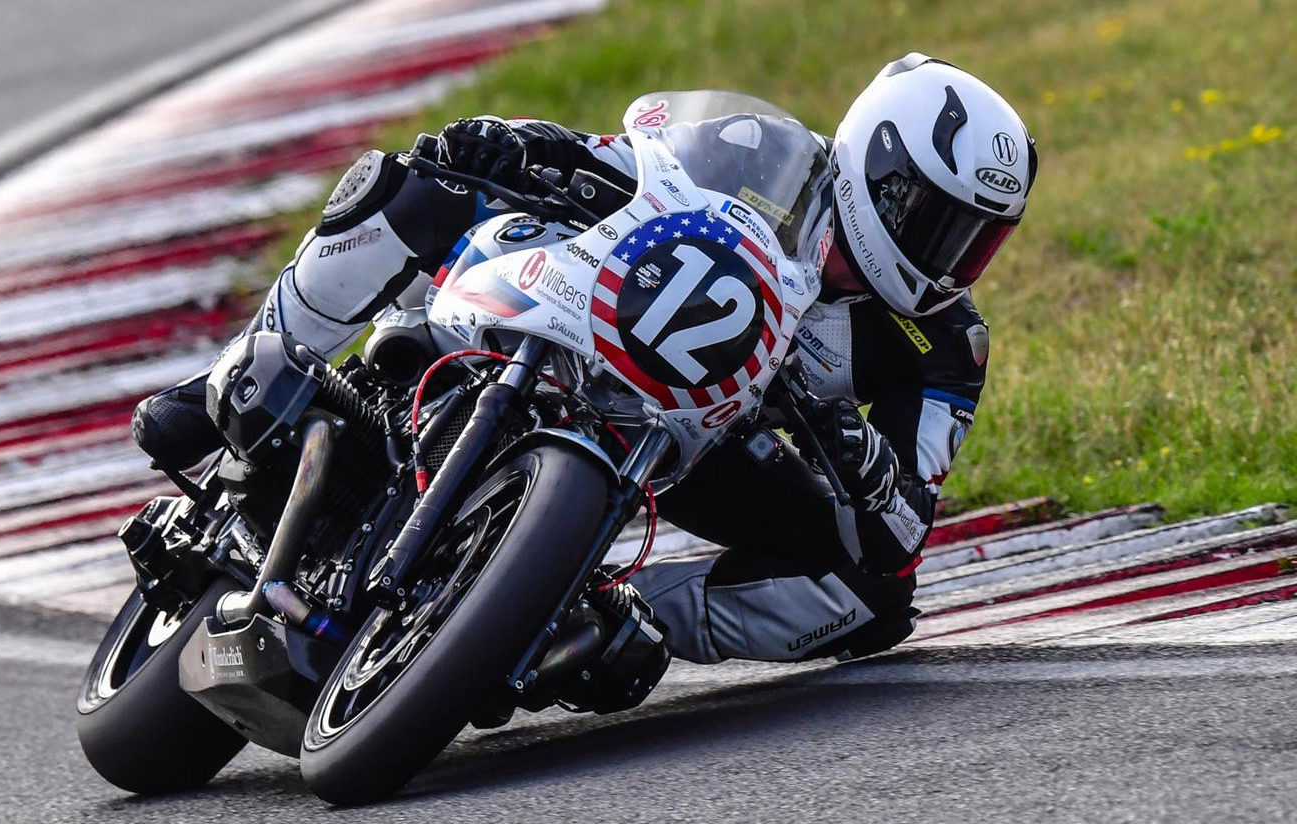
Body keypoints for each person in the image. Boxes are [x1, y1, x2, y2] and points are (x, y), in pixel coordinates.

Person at [130, 53, 1036, 664]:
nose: (955, 260)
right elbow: (624, 160)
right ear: (881, 179)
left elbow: (903, 527)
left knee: (873, 604)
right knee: (406, 187)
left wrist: (845, 438)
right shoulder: (764, 151)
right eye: (939, 223)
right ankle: (231, 381)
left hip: (705, 441)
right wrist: (520, 144)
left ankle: (612, 611)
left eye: (979, 242)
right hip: (572, 300)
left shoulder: (948, 348)